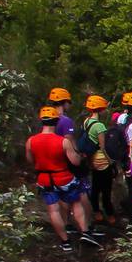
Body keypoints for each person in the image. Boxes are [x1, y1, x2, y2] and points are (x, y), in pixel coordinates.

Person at [26, 106, 95, 250]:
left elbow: (30, 160)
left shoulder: (31, 141)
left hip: (44, 179)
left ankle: (65, 242)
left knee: (53, 210)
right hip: (63, 177)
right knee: (76, 203)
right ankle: (85, 231)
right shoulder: (62, 141)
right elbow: (75, 161)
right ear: (56, 121)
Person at [81, 94, 119, 227]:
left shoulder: (86, 122)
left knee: (95, 188)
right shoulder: (100, 126)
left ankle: (96, 212)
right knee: (106, 190)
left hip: (92, 160)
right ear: (101, 109)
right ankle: (110, 214)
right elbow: (102, 147)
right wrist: (111, 162)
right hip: (102, 161)